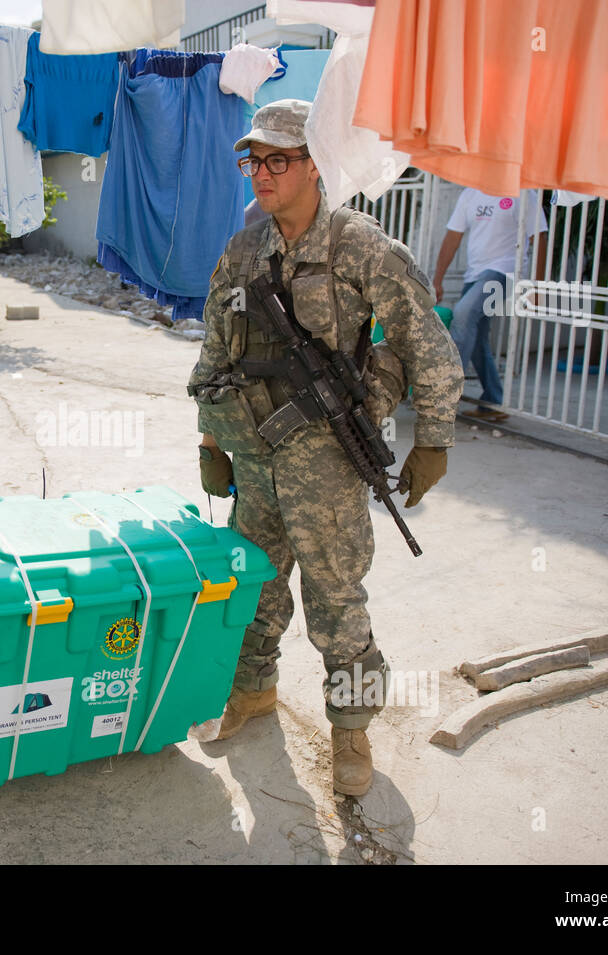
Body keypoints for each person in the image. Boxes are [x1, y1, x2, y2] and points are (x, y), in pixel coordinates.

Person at [188, 100, 463, 796]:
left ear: (315, 164)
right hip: (254, 454)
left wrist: (433, 437)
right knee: (253, 583)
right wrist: (211, 437)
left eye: (279, 159)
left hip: (326, 460)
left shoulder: (359, 244)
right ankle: (252, 689)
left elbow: (422, 338)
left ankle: (352, 730)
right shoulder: (243, 249)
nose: (262, 173)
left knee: (338, 600)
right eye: (254, 160)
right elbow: (216, 348)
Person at [431, 187, 548, 421]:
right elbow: (453, 237)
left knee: (463, 317)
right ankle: (493, 402)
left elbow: (540, 237)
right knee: (476, 339)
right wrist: (437, 280)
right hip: (474, 275)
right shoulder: (470, 194)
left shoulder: (523, 193)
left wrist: (537, 285)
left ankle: (444, 399)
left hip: (503, 271)